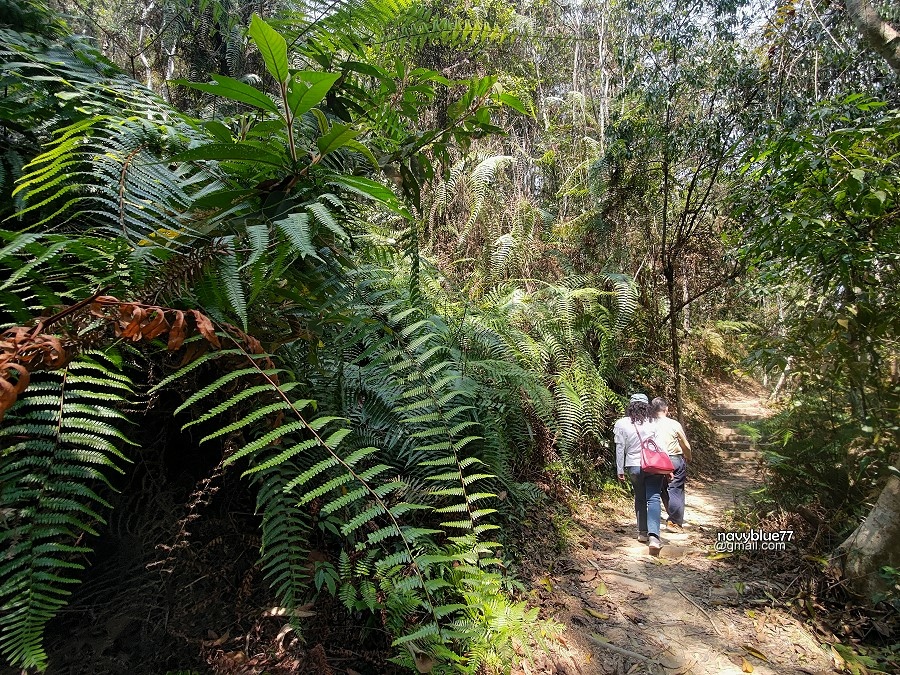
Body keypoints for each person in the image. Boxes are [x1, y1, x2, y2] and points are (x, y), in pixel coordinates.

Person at [614, 393, 664, 555]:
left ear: (630, 406)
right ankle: (654, 537)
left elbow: (620, 448)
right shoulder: (654, 422)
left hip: (633, 466)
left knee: (640, 497)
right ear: (647, 406)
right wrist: (667, 468)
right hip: (653, 465)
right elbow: (661, 446)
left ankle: (642, 533)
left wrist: (619, 469)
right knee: (654, 497)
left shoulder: (621, 423)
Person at [651, 396, 692, 533]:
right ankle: (674, 521)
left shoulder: (649, 424)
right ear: (666, 409)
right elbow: (684, 444)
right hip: (674, 459)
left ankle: (670, 516)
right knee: (676, 489)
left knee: (662, 489)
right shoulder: (674, 424)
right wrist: (688, 455)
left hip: (655, 461)